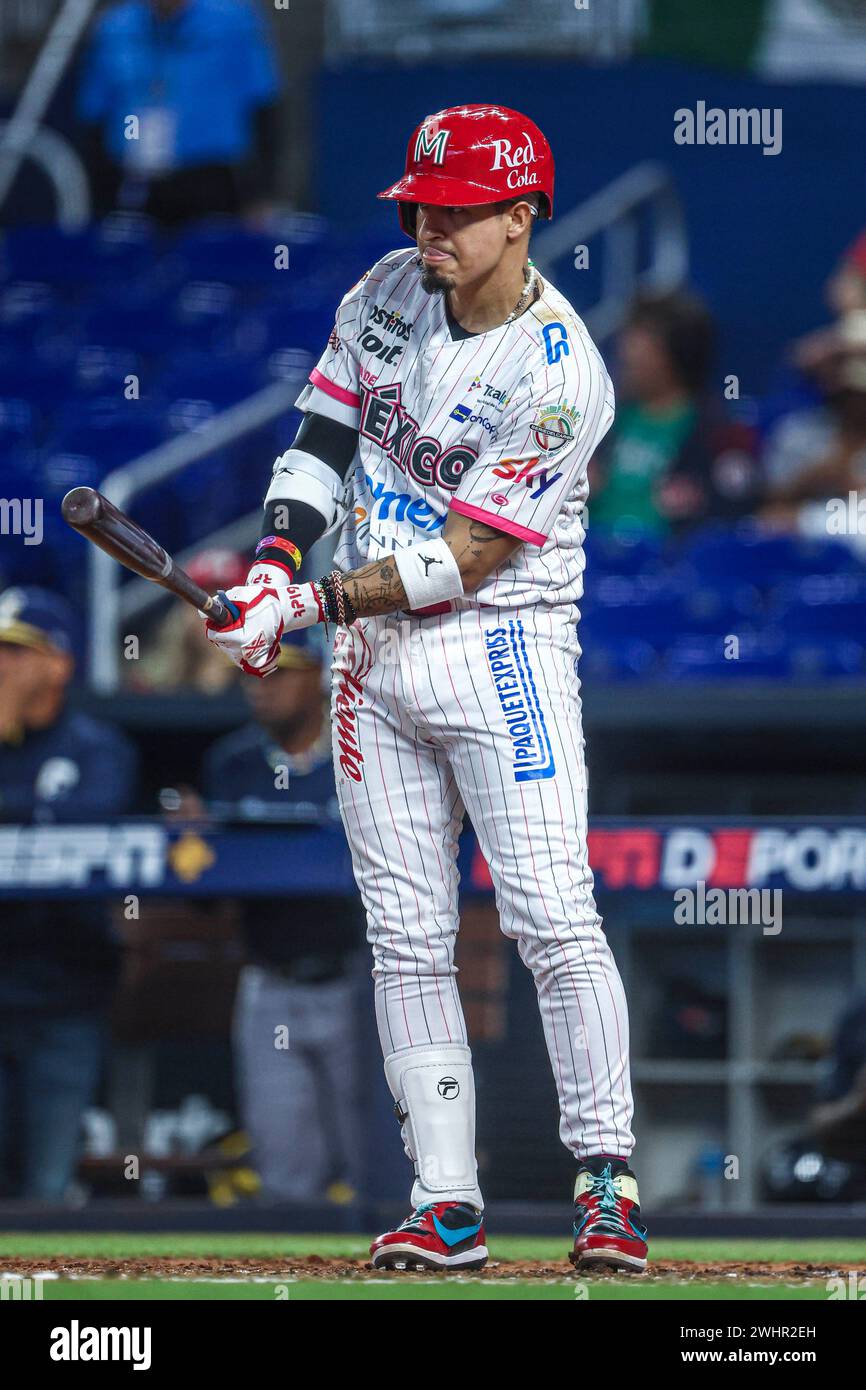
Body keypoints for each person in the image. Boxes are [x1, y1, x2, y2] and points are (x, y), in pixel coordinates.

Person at [201, 105, 647, 1273]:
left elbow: (469, 556)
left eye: (452, 209)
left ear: (519, 215)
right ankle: (444, 1200)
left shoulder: (562, 375)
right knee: (403, 937)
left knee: (550, 916)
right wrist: (270, 564)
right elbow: (319, 438)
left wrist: (302, 605)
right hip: (369, 657)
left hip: (498, 649)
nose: (426, 223)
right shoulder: (385, 290)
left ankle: (605, 1180)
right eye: (418, 203)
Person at [203, 630, 365, 1201]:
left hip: (355, 980)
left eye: (279, 672)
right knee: (284, 1169)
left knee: (372, 1158)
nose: (262, 688)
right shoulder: (233, 764)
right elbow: (207, 882)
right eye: (255, 673)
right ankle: (288, 1283)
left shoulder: (362, 752)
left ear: (318, 678)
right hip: (269, 977)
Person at [0, 587, 137, 1199]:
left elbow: (91, 817)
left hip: (64, 995)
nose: (2, 665)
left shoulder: (94, 745)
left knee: (46, 1189)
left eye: (17, 651)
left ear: (59, 663)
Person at [76, 0, 282, 225]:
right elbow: (94, 115)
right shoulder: (115, 26)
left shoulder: (233, 20)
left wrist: (263, 192)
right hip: (133, 177)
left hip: (211, 176)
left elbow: (264, 108)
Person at [589, 289, 759, 536]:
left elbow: (736, 515)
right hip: (592, 559)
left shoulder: (718, 433)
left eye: (638, 338)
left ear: (673, 353)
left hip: (669, 568)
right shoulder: (607, 420)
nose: (624, 351)